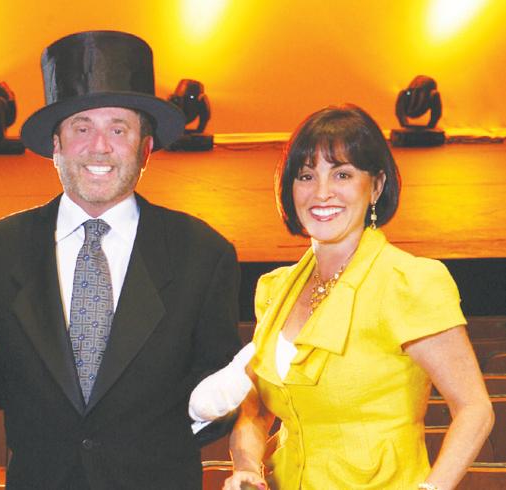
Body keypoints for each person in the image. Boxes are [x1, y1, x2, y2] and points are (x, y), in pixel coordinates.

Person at [0, 30, 242, 489]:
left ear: (145, 149)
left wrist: (209, 406)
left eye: (118, 129)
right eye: (82, 128)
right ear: (56, 145)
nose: (99, 146)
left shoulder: (203, 256)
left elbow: (217, 381)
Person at [189, 104, 494, 490]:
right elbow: (258, 408)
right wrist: (248, 467)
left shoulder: (409, 283)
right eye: (306, 175)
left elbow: (475, 409)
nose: (321, 192)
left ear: (376, 186)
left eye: (342, 174)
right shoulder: (274, 290)